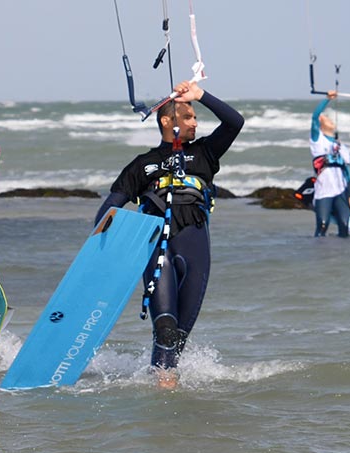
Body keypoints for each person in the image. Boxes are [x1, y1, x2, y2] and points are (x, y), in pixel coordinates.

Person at [94, 80, 244, 388]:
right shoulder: (142, 165)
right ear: (167, 120)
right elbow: (110, 208)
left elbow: (234, 122)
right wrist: (101, 246)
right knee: (164, 326)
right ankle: (161, 390)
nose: (195, 122)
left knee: (177, 337)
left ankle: (165, 394)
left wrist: (199, 95)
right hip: (156, 249)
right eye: (189, 116)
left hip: (195, 248)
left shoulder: (205, 153)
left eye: (195, 117)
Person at [309, 90, 350, 237]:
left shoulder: (342, 147)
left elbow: (348, 173)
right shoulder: (317, 140)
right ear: (321, 124)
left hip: (341, 191)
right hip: (324, 191)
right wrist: (327, 99)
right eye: (328, 119)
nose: (331, 121)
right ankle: (319, 254)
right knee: (323, 225)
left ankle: (341, 256)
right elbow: (315, 117)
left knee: (345, 225)